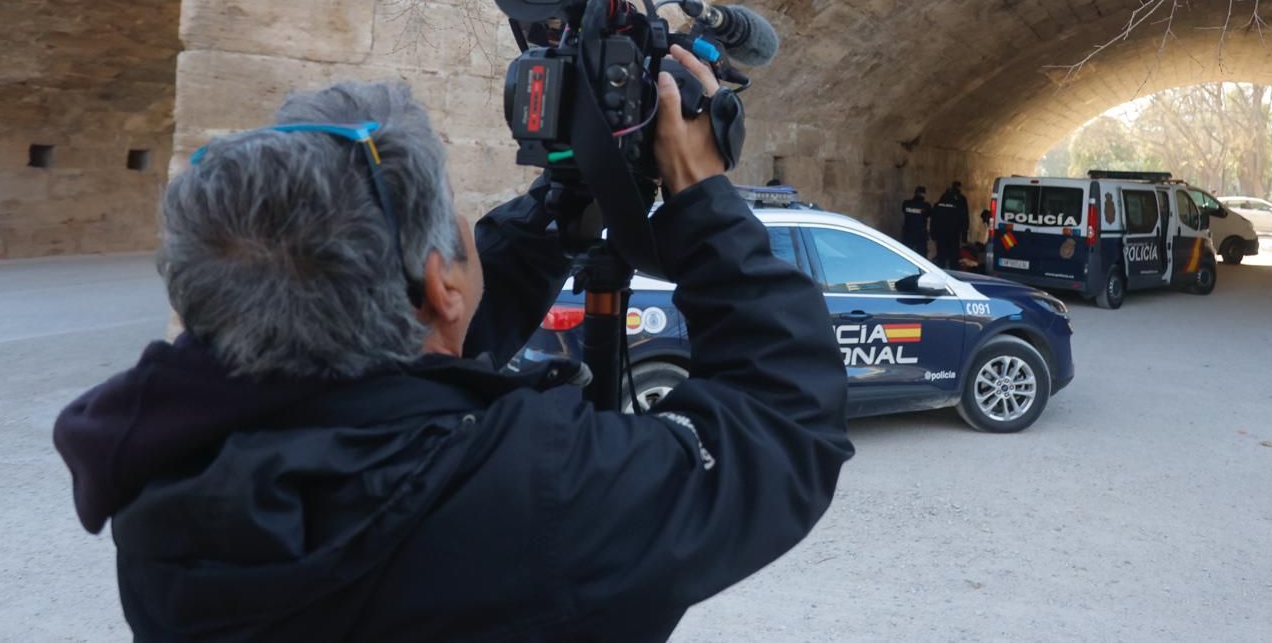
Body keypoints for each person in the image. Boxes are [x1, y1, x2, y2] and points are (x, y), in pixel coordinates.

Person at [53, 45, 853, 641]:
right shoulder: (530, 494)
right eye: (463, 245)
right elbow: (783, 417)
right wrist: (701, 195)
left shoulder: (162, 480)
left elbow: (410, 355)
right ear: (442, 285)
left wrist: (561, 204)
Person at [930, 182, 967, 269]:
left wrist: (933, 234)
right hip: (953, 235)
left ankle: (940, 274)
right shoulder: (958, 206)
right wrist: (964, 234)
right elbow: (964, 219)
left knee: (941, 257)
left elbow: (933, 221)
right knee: (954, 259)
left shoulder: (937, 206)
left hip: (941, 235)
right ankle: (954, 277)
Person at [899, 186, 931, 254]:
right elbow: (929, 215)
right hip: (920, 233)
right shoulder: (926, 205)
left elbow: (904, 211)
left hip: (908, 232)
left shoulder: (906, 203)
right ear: (923, 194)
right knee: (921, 256)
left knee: (906, 254)